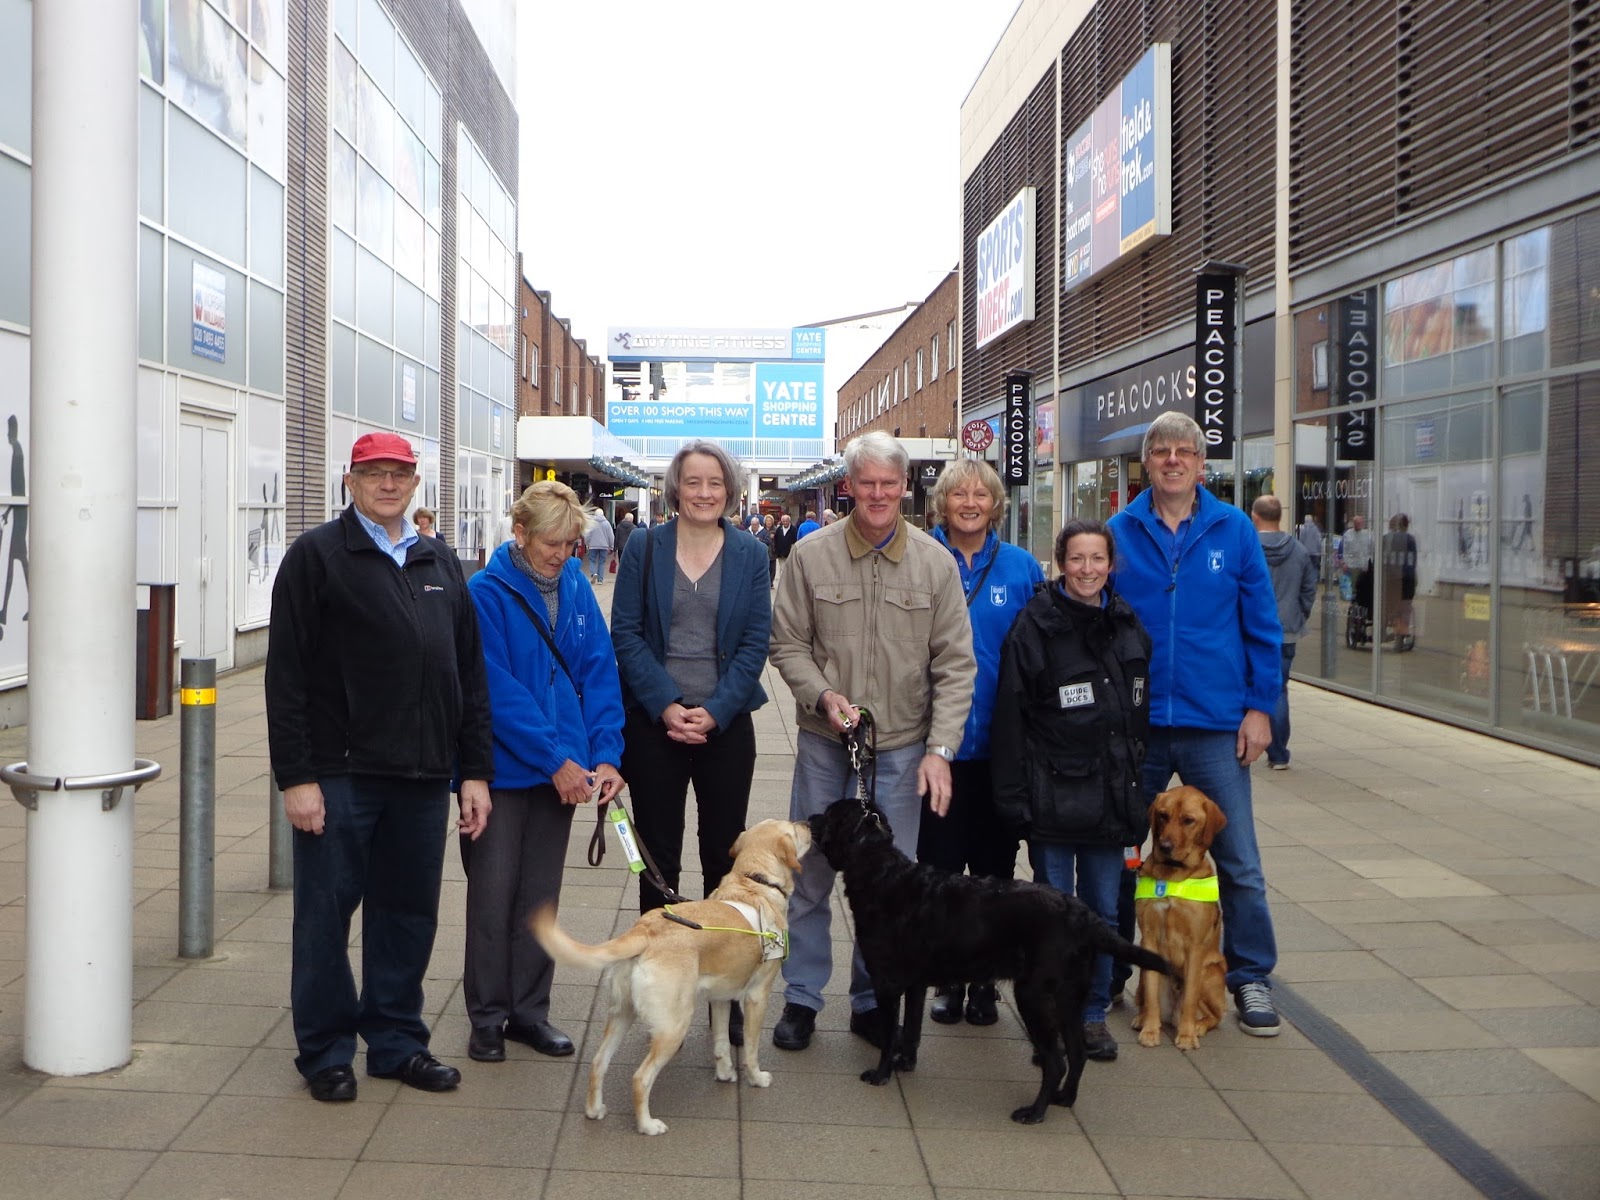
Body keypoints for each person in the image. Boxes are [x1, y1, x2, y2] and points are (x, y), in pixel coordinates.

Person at [266, 431, 493, 1103]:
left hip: (422, 776)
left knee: (407, 915)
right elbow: (287, 678)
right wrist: (295, 777)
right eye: (374, 474)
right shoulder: (317, 558)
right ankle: (327, 1051)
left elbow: (469, 676)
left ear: (415, 484)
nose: (387, 484)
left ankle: (396, 1042)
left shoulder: (440, 561)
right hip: (341, 775)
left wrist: (472, 771)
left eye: (399, 474)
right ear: (350, 480)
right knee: (324, 919)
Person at [767, 431, 975, 1051]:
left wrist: (941, 750)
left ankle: (869, 999)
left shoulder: (935, 564)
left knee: (890, 885)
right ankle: (802, 998)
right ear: (849, 486)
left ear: (904, 486)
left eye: (890, 483)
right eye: (867, 483)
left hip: (904, 748)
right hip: (827, 746)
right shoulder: (811, 556)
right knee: (809, 879)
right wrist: (823, 696)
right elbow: (788, 645)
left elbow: (956, 665)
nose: (879, 494)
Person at [1106, 410, 1284, 1036]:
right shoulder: (1119, 531)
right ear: (1147, 461)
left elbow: (1263, 626)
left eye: (1185, 452)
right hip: (1140, 723)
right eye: (1162, 452)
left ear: (1201, 464)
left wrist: (1262, 707)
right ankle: (1116, 975)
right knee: (1129, 857)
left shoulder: (1233, 530)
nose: (1173, 461)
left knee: (1236, 861)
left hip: (1216, 723)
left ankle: (1251, 976)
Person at [611, 441, 773, 1040]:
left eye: (715, 483)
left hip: (726, 728)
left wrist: (716, 710)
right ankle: (659, 982)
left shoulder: (752, 554)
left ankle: (721, 991)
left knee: (723, 860)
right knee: (656, 861)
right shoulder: (645, 549)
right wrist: (666, 705)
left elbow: (757, 643)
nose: (704, 493)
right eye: (693, 482)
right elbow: (624, 634)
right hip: (655, 728)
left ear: (729, 490)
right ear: (675, 488)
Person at [462, 480, 626, 1064]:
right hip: (508, 771)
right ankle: (487, 1016)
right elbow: (496, 691)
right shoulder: (485, 592)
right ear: (521, 534)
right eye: (550, 543)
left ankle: (530, 1012)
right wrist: (554, 759)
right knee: (493, 895)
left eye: (571, 544)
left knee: (541, 898)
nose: (560, 555)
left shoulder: (577, 586)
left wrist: (607, 753)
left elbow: (598, 671)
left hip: (566, 768)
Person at [993, 518, 1151, 1062]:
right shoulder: (1034, 626)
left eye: (1098, 559)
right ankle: (1053, 1018)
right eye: (1077, 559)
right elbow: (1011, 715)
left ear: (1111, 564)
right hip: (1052, 798)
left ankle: (1090, 1017)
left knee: (1105, 914)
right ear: (1061, 561)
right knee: (1052, 919)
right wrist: (1013, 796)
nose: (1088, 570)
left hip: (1109, 800)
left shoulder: (1128, 623)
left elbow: (1136, 716)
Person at [921, 457, 1042, 1026]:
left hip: (1001, 746)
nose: (970, 503)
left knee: (995, 872)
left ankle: (985, 983)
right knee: (941, 868)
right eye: (959, 494)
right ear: (942, 504)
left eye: (981, 495)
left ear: (996, 504)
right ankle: (947, 976)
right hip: (934, 747)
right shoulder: (919, 558)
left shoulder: (1020, 568)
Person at [1252, 496, 1317, 770]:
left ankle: (1242, 745)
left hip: (1252, 630)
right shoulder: (1299, 551)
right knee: (1278, 690)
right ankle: (1278, 754)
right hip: (1286, 631)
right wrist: (1297, 615)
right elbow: (1309, 590)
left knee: (1242, 686)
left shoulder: (1248, 548)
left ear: (1255, 516)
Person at [1382, 513, 1418, 650]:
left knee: (1389, 604)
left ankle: (1386, 625)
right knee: (1406, 607)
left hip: (1391, 578)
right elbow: (1413, 562)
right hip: (1407, 578)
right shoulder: (1411, 540)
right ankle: (1402, 633)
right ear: (1406, 525)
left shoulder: (1386, 539)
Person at [584, 507, 615, 584]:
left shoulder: (592, 523)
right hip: (604, 546)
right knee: (601, 562)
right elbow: (610, 536)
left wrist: (587, 543)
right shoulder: (607, 523)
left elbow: (587, 534)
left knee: (592, 560)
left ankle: (593, 573)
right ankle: (600, 580)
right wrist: (611, 546)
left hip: (593, 546)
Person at [772, 512, 797, 584]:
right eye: (784, 521)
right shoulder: (779, 529)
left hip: (789, 553)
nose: (785, 523)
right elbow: (776, 540)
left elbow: (795, 540)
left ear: (789, 521)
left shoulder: (793, 529)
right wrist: (776, 550)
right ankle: (783, 582)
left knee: (788, 568)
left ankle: (788, 581)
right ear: (782, 522)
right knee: (782, 568)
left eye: (786, 521)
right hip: (780, 553)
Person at [1297, 510, 1323, 576]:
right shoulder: (1316, 529)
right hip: (1315, 552)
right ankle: (1313, 581)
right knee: (1315, 568)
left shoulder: (1303, 529)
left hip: (1306, 552)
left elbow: (1301, 541)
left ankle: (1308, 581)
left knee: (1307, 568)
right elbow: (1319, 541)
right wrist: (1320, 551)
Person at [762, 513, 778, 586]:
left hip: (773, 551)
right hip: (764, 551)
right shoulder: (762, 530)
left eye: (770, 521)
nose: (769, 522)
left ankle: (771, 582)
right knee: (765, 567)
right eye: (767, 521)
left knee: (772, 568)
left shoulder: (776, 530)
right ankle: (766, 582)